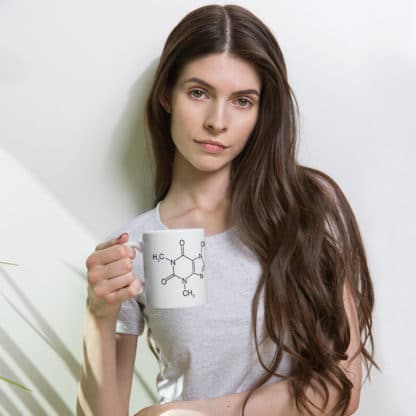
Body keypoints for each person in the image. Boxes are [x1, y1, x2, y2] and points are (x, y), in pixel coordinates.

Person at [76, 4, 378, 416]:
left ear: (261, 112)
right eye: (198, 92)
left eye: (242, 101)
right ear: (166, 94)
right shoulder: (149, 247)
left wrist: (186, 414)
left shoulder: (305, 208)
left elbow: (339, 389)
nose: (217, 121)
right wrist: (98, 316)